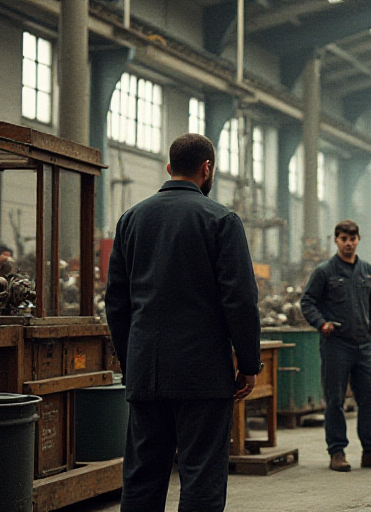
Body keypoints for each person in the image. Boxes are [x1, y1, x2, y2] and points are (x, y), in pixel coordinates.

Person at [105, 133, 261, 512]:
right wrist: (248, 363)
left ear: (169, 167)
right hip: (202, 376)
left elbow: (116, 303)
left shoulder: (131, 220)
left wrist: (132, 362)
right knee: (201, 478)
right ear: (207, 169)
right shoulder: (221, 220)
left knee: (142, 478)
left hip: (147, 373)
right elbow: (239, 299)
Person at [300, 220, 371, 472]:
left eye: (352, 238)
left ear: (358, 240)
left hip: (363, 345)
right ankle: (337, 452)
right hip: (336, 345)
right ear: (336, 240)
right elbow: (307, 301)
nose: (349, 243)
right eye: (344, 238)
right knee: (335, 400)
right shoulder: (325, 271)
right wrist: (321, 323)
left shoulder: (367, 271)